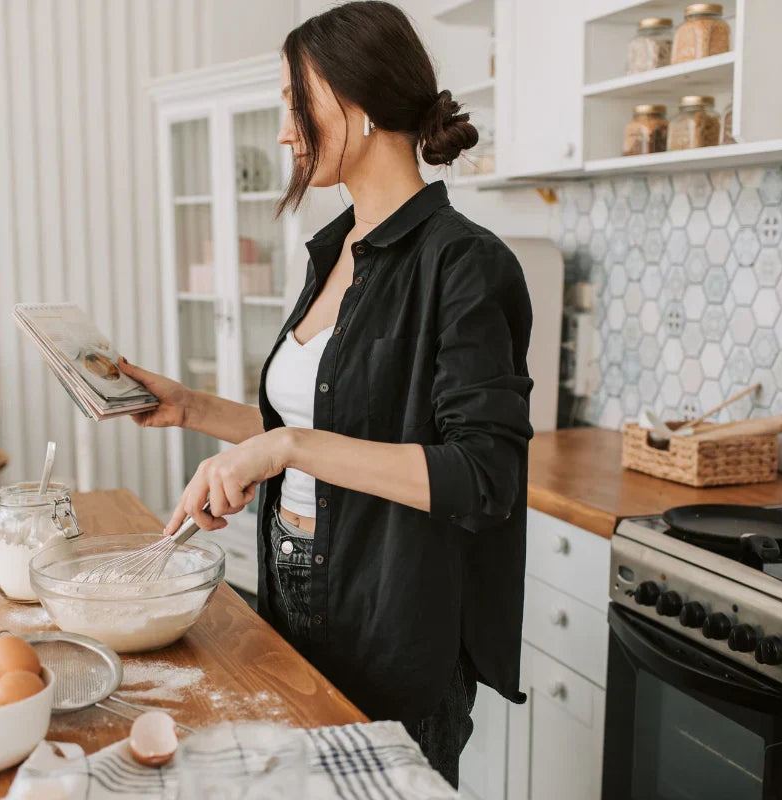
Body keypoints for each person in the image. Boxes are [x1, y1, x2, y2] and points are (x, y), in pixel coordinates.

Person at [119, 1, 534, 787]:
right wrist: (191, 407)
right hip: (295, 587)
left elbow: (483, 479)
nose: (284, 131)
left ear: (362, 102)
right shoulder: (333, 252)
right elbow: (328, 424)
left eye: (293, 102)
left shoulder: (467, 267)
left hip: (397, 611)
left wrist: (286, 446)